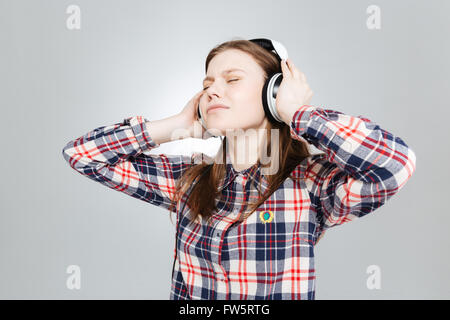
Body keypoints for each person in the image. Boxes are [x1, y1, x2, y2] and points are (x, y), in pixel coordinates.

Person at [62, 39, 417, 300]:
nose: (213, 90)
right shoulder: (188, 179)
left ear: (274, 93)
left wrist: (297, 114)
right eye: (207, 84)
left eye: (231, 79)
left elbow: (393, 165)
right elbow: (82, 155)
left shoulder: (311, 183)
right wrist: (175, 125)